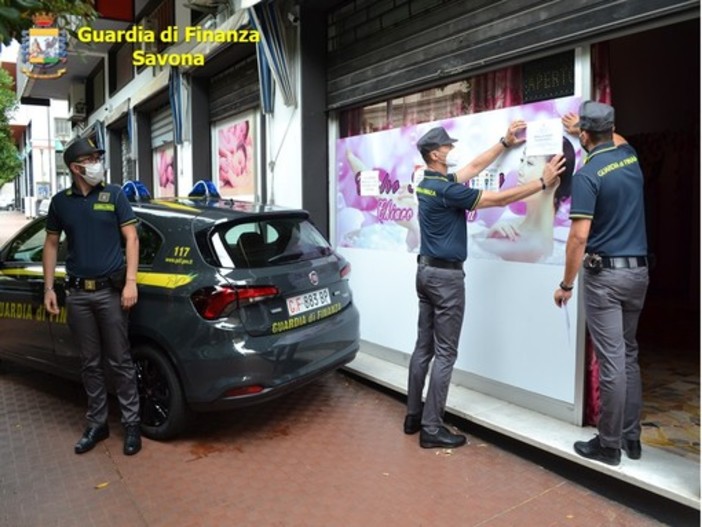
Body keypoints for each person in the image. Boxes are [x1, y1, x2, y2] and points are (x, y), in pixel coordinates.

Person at [405, 123, 565, 448]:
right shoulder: (448, 190)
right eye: (447, 147)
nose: (451, 150)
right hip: (446, 279)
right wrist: (541, 182)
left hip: (425, 273)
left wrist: (503, 143)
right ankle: (432, 428)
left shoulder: (428, 182)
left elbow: (474, 167)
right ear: (435, 154)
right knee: (446, 353)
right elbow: (498, 198)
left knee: (424, 348)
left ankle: (414, 416)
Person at [553, 101, 649, 466]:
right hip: (638, 274)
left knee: (611, 362)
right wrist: (587, 126)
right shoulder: (630, 157)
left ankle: (608, 445)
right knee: (628, 354)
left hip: (605, 277)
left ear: (583, 136)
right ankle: (632, 437)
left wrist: (566, 284)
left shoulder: (587, 174)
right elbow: (616, 138)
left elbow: (578, 238)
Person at [42, 137, 142, 456]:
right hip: (78, 295)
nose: (98, 162)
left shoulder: (114, 195)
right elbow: (51, 245)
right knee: (90, 363)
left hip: (110, 294)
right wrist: (48, 288)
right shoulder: (61, 203)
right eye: (91, 158)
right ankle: (97, 424)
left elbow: (132, 238)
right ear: (75, 167)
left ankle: (131, 425)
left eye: (98, 156)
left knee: (121, 361)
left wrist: (130, 282)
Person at [474, 137, 576, 263]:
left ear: (554, 181)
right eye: (522, 160)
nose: (520, 170)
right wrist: (489, 235)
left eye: (530, 163)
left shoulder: (563, 243)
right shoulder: (505, 227)